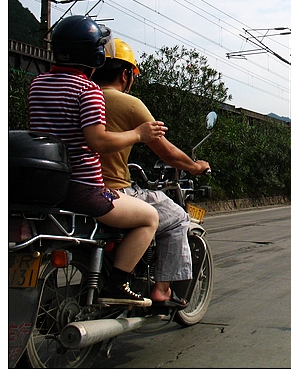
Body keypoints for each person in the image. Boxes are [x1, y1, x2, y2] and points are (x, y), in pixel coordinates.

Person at [28, 15, 165, 306]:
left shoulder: (38, 83)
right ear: (95, 55)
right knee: (150, 217)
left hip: (48, 187)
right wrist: (138, 134)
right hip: (84, 189)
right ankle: (116, 285)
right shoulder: (87, 89)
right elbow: (98, 141)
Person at [91, 38, 211, 308]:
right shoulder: (129, 104)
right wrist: (195, 166)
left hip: (77, 186)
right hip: (113, 190)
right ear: (126, 74)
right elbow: (167, 153)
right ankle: (161, 290)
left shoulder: (82, 97)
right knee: (177, 217)